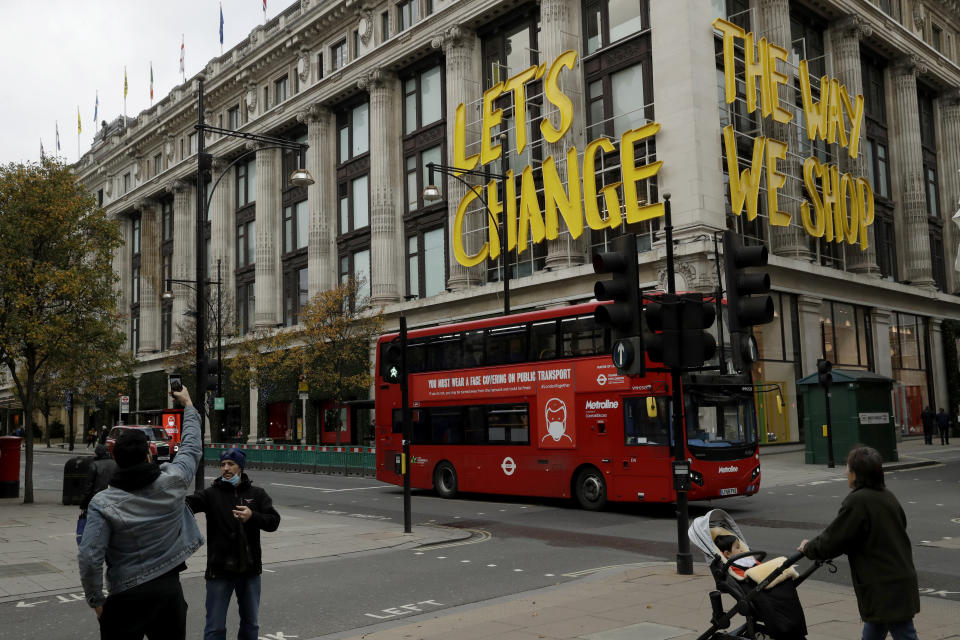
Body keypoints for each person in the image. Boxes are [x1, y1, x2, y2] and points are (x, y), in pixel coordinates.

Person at [78, 386, 203, 640]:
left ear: (116, 458)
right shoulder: (174, 480)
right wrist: (188, 405)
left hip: (125, 594)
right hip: (168, 590)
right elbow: (191, 447)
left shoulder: (102, 502)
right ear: (149, 455)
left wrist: (96, 599)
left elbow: (90, 555)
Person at [798, 445, 920, 640]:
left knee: (904, 633)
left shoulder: (858, 501)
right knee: (875, 629)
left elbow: (834, 539)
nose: (846, 471)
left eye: (848, 467)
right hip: (897, 578)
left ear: (857, 474)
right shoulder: (887, 496)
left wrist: (808, 548)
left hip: (883, 584)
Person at [186, 448, 280, 640]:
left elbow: (273, 521)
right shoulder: (211, 494)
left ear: (240, 467)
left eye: (231, 464)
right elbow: (188, 504)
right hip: (219, 570)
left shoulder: (257, 494)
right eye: (223, 464)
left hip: (250, 570)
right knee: (215, 628)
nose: (226, 468)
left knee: (250, 625)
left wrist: (252, 516)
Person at [76, 444, 118, 545]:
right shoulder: (116, 464)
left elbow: (88, 488)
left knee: (96, 527)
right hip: (113, 500)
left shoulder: (94, 465)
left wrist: (83, 504)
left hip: (97, 501)